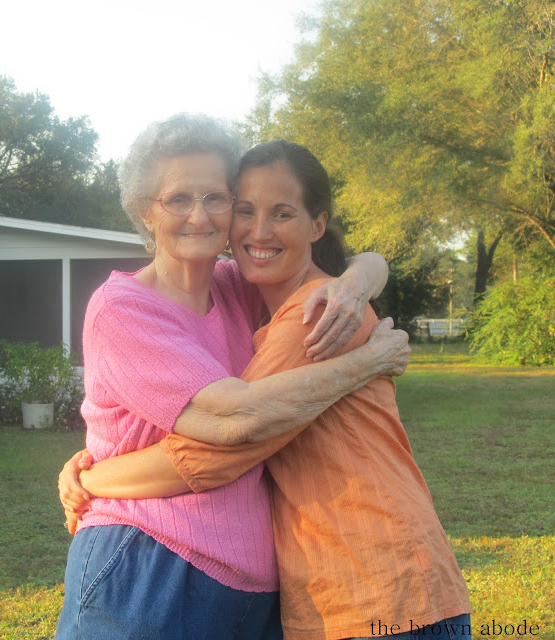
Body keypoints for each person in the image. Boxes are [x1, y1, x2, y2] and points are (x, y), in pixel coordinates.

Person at [61, 139, 472, 640]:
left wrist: (96, 479)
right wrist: (364, 309)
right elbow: (231, 424)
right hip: (344, 586)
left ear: (316, 225)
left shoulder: (318, 313)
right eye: (246, 210)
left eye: (217, 198)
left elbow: (229, 439)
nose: (257, 231)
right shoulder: (236, 292)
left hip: (378, 586)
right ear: (145, 212)